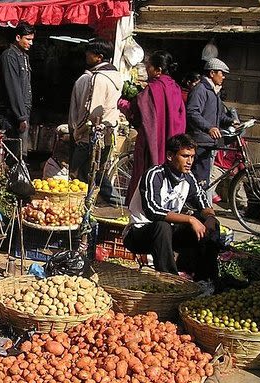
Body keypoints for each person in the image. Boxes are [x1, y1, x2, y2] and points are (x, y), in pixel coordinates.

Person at [123, 134, 220, 283]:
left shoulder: (188, 178)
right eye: (185, 156)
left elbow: (203, 204)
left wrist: (210, 218)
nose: (190, 162)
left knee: (210, 224)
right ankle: (171, 281)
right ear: (170, 155)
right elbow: (153, 211)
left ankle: (205, 279)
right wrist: (190, 218)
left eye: (192, 157)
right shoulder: (154, 174)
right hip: (138, 233)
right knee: (163, 225)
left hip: (168, 235)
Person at [125, 51, 187, 205]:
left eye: (149, 67)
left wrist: (124, 104)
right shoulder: (176, 88)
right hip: (173, 142)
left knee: (146, 176)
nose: (147, 70)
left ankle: (144, 207)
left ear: (158, 70)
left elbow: (139, 115)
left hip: (152, 142)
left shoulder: (152, 89)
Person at [68, 38, 124, 205]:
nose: (86, 55)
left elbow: (92, 112)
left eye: (90, 53)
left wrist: (77, 132)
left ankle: (84, 209)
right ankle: (114, 202)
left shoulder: (98, 78)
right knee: (96, 173)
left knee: (76, 173)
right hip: (108, 133)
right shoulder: (116, 75)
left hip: (91, 136)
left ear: (99, 57)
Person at [186, 57, 237, 198]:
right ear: (212, 73)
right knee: (199, 177)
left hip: (209, 141)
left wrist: (231, 122)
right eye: (222, 73)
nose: (224, 77)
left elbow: (219, 116)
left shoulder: (215, 92)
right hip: (200, 140)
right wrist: (209, 128)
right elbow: (192, 112)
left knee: (204, 177)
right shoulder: (200, 90)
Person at [0, 22, 34, 159]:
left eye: (32, 39)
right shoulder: (9, 56)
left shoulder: (24, 57)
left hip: (21, 112)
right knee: (13, 154)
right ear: (18, 37)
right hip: (11, 115)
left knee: (20, 154)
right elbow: (13, 88)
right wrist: (21, 116)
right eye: (28, 39)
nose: (31, 43)